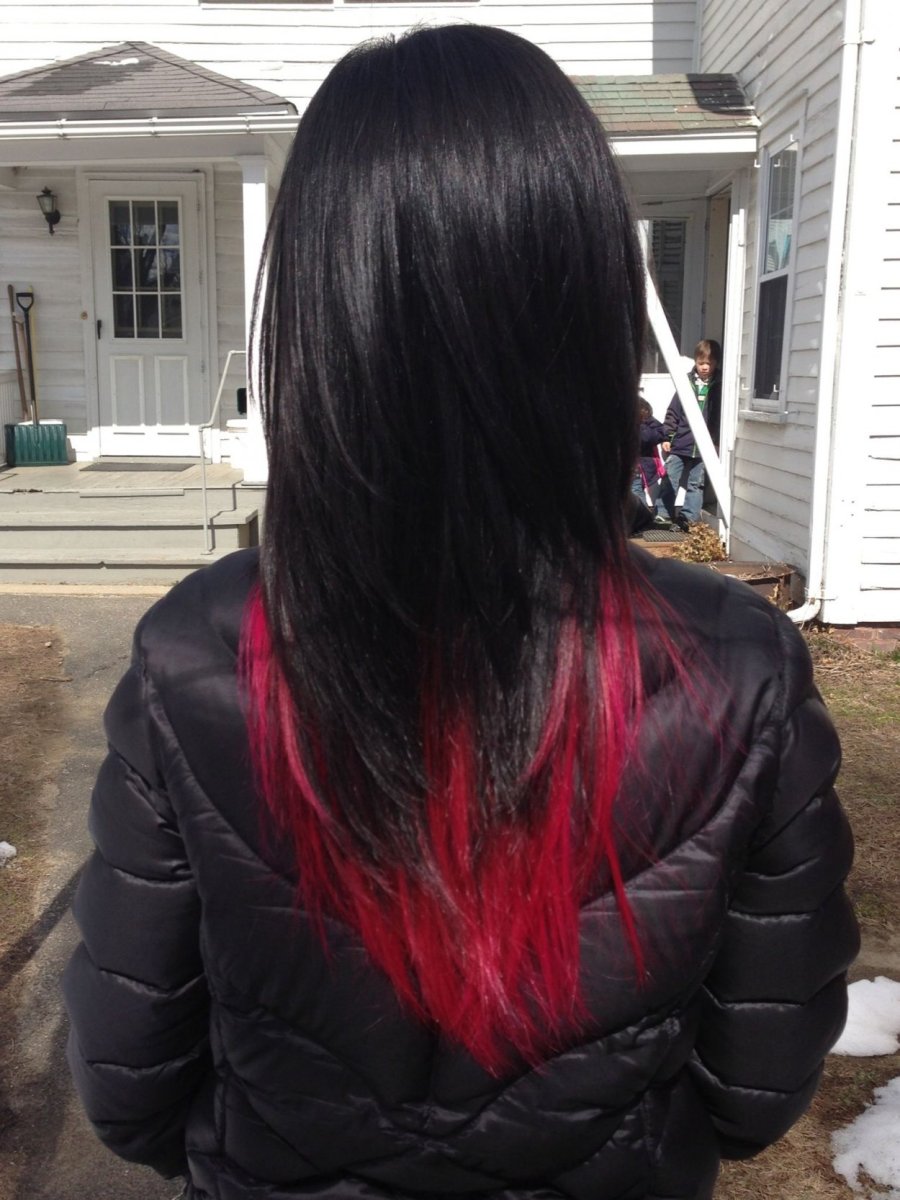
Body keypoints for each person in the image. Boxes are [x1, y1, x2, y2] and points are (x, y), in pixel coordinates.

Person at [63, 25, 858, 1200]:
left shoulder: (195, 656)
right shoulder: (739, 670)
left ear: (318, 313)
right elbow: (755, 1088)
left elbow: (131, 1087)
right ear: (586, 304)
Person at [656, 338, 722, 529]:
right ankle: (663, 513)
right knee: (670, 476)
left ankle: (689, 519)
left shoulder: (720, 386)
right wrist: (668, 436)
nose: (705, 367)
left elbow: (719, 418)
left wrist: (717, 441)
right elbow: (673, 412)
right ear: (695, 362)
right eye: (701, 363)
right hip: (681, 442)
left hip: (704, 448)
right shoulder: (686, 384)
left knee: (695, 484)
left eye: (709, 363)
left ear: (716, 363)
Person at [631, 396, 669, 512]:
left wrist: (640, 427)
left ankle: (641, 516)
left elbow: (653, 435)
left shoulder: (647, 423)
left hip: (641, 463)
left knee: (635, 490)